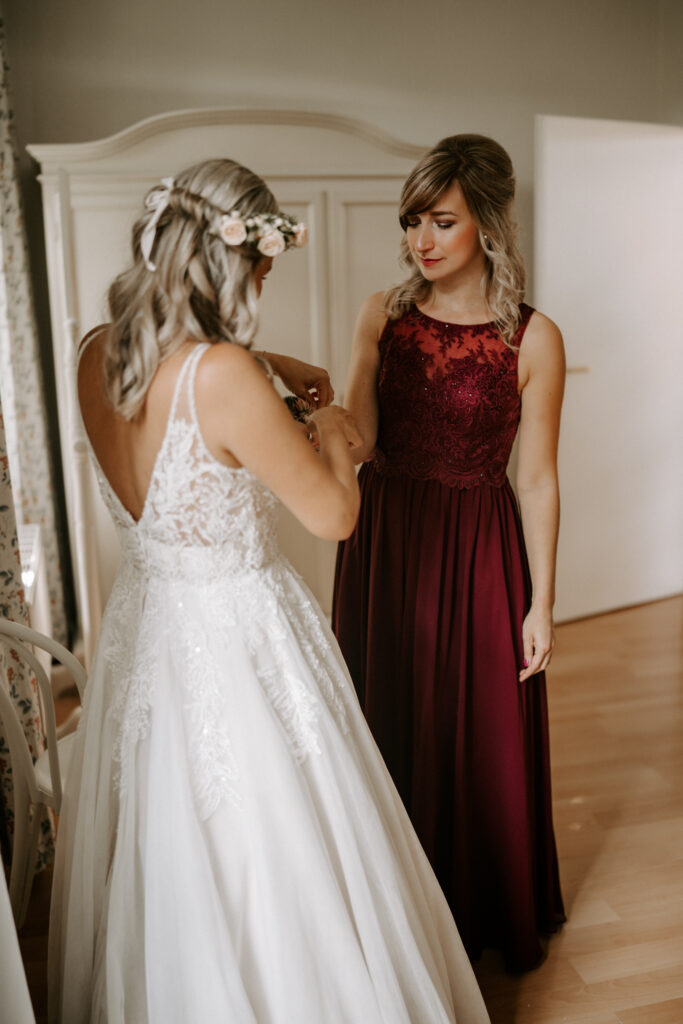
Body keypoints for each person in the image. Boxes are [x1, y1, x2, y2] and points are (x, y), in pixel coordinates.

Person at [48, 158, 490, 1023]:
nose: (263, 283)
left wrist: (265, 365)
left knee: (173, 840)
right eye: (261, 268)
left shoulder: (97, 352)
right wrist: (328, 427)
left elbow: (198, 382)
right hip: (240, 637)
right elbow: (333, 515)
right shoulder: (225, 378)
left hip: (150, 630)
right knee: (274, 842)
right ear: (227, 264)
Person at [333, 134, 566, 972]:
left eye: (440, 221)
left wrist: (541, 603)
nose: (420, 242)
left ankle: (481, 911)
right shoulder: (382, 316)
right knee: (388, 715)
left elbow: (535, 480)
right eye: (411, 223)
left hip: (479, 548)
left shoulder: (533, 339)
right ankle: (394, 912)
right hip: (386, 543)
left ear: (488, 226)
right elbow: (356, 441)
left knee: (479, 735)